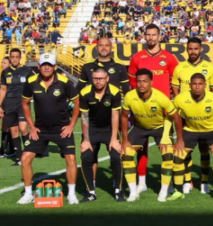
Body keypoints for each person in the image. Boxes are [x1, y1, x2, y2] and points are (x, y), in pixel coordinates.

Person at [17, 53, 80, 205]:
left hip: (61, 129)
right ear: (38, 66)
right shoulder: (31, 81)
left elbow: (77, 103)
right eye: (44, 64)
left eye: (50, 65)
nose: (46, 67)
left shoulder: (64, 81)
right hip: (40, 129)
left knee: (71, 159)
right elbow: (25, 103)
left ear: (55, 67)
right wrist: (31, 126)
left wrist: (71, 125)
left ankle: (71, 194)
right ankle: (28, 194)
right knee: (25, 159)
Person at [127, 24, 179, 193]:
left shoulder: (169, 58)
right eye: (148, 35)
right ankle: (142, 183)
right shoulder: (137, 58)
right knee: (140, 148)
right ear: (144, 36)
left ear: (159, 36)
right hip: (142, 111)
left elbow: (176, 81)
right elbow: (133, 83)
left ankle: (169, 184)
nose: (151, 38)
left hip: (164, 113)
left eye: (154, 35)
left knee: (166, 149)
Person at [167, 74, 213, 202]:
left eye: (200, 84)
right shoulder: (180, 99)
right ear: (190, 85)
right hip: (190, 131)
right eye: (194, 84)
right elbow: (169, 117)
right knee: (177, 157)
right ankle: (178, 191)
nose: (197, 87)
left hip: (211, 131)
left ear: (205, 85)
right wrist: (169, 137)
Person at [120, 68, 177, 202]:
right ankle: (133, 192)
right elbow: (123, 117)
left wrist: (177, 139)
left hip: (160, 128)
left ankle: (164, 190)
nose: (142, 84)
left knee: (168, 156)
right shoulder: (129, 96)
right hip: (140, 128)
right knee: (126, 155)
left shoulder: (160, 97)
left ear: (151, 82)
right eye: (139, 81)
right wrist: (125, 139)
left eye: (145, 81)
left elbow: (176, 116)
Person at [171, 37, 213, 194]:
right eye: (190, 48)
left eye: (196, 48)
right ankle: (187, 180)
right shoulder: (180, 68)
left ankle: (204, 181)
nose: (193, 51)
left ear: (201, 49)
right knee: (185, 149)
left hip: (203, 114)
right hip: (185, 115)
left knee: (205, 150)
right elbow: (175, 89)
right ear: (187, 49)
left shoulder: (210, 68)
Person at [77, 66, 124, 202]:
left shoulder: (115, 92)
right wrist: (86, 140)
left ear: (107, 79)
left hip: (109, 129)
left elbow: (115, 116)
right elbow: (84, 116)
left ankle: (118, 189)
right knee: (86, 156)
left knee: (116, 156)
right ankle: (90, 191)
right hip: (92, 130)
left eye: (101, 79)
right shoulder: (85, 92)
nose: (98, 81)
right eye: (95, 78)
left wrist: (114, 139)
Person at [0, 48, 34, 164]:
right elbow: (3, 89)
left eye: (16, 57)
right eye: (12, 57)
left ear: (20, 58)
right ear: (10, 58)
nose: (14, 59)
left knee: (23, 128)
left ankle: (29, 151)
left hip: (22, 103)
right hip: (9, 104)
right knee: (14, 131)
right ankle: (20, 158)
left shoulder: (27, 70)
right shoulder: (5, 72)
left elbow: (34, 86)